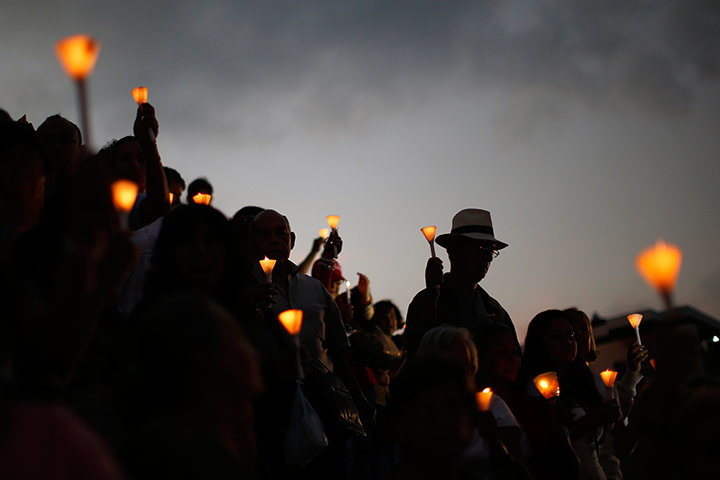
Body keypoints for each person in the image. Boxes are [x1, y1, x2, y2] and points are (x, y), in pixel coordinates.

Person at [249, 209, 374, 477]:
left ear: (292, 240)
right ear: (252, 242)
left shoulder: (314, 289)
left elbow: (339, 350)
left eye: (281, 233)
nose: (274, 240)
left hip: (320, 402)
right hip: (267, 406)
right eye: (264, 234)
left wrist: (359, 399)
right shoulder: (242, 288)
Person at [521, 309, 622, 480]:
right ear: (540, 344)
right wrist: (593, 419)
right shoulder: (537, 386)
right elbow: (544, 446)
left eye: (570, 334)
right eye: (555, 337)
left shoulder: (585, 383)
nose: (567, 342)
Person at [405, 208, 518, 359]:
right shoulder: (426, 301)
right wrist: (432, 298)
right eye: (481, 248)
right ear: (453, 250)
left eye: (491, 251)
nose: (488, 258)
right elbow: (417, 354)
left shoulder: (496, 311)